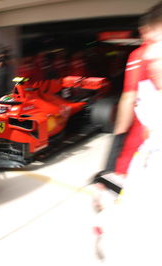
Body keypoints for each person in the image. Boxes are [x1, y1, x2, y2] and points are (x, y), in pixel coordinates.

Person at [97, 3, 162, 263]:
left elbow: (127, 102)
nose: (151, 54)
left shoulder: (140, 57)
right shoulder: (152, 108)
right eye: (150, 43)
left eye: (156, 41)